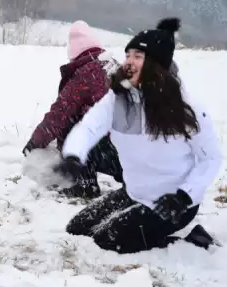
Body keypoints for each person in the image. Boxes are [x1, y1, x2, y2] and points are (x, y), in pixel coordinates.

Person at [59, 18, 221, 254]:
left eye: (138, 57)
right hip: (134, 193)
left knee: (107, 240)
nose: (129, 63)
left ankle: (193, 242)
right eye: (128, 55)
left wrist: (184, 197)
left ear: (156, 65)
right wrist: (74, 156)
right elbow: (89, 127)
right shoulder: (118, 99)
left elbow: (211, 159)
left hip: (173, 202)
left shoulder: (187, 108)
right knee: (77, 228)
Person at [22, 20, 122, 198]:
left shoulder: (85, 75)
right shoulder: (113, 65)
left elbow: (59, 115)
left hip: (112, 149)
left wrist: (35, 143)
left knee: (78, 131)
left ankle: (85, 186)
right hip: (134, 147)